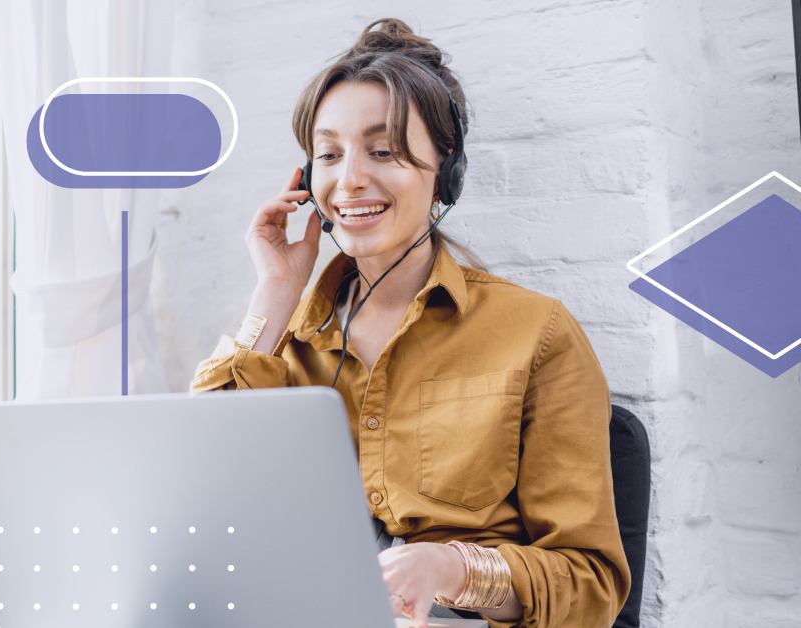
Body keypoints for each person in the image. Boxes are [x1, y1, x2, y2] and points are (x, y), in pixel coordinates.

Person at [190, 18, 631, 628]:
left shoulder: (537, 333)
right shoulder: (285, 342)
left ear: (443, 169)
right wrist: (275, 293)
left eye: (383, 150)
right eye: (328, 154)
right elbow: (200, 503)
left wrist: (451, 570)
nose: (349, 180)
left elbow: (592, 585)